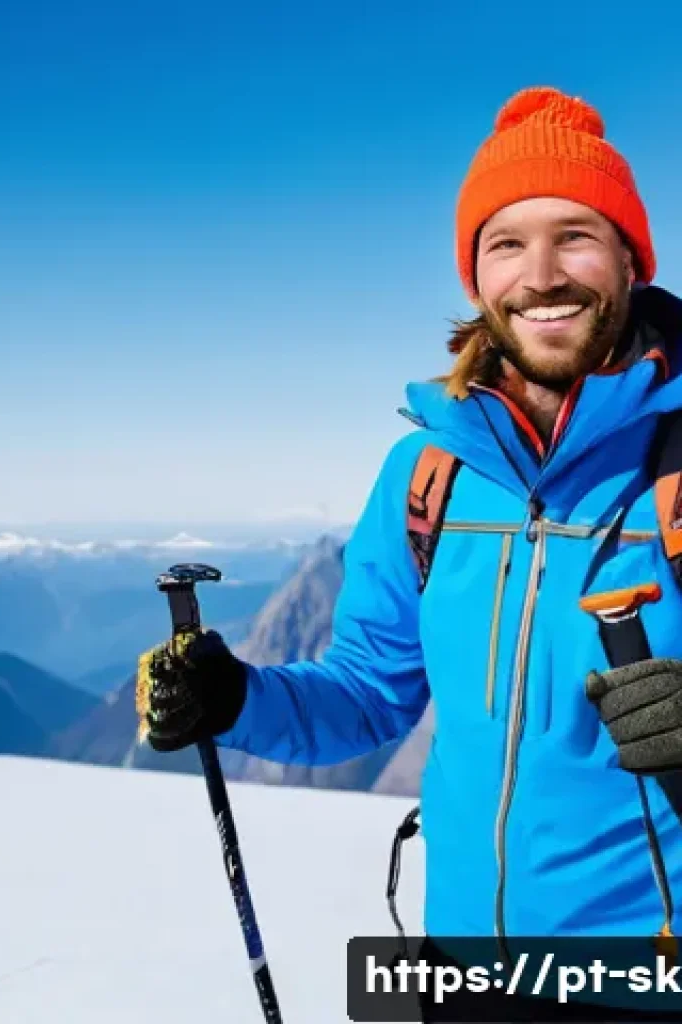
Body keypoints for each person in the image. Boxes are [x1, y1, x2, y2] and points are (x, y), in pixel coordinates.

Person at [135, 86, 682, 1021]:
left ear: (631, 260)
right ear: (476, 279)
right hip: (455, 965)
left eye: (576, 237)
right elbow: (367, 692)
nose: (542, 274)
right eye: (506, 244)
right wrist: (234, 699)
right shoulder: (425, 478)